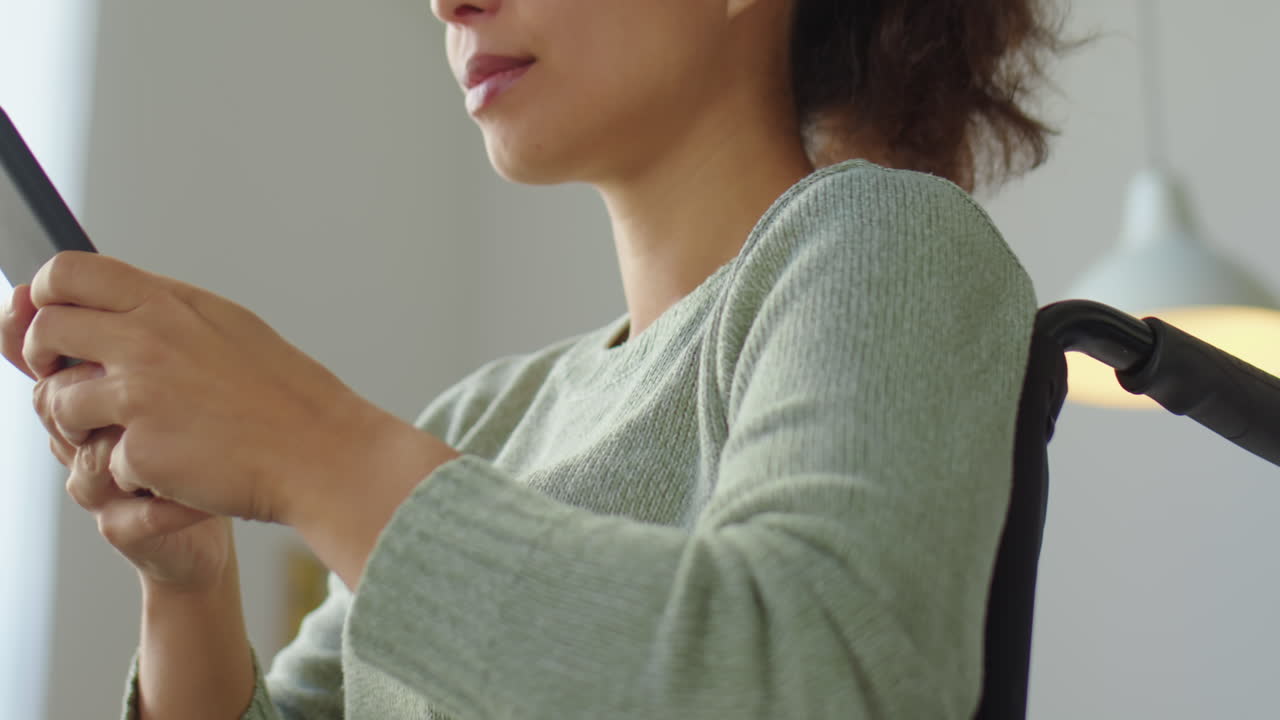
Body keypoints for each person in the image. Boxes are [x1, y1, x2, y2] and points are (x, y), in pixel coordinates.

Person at [1, 0, 1069, 717]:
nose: (448, 3)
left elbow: (823, 685)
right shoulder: (478, 420)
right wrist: (188, 580)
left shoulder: (888, 240)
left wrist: (305, 444)